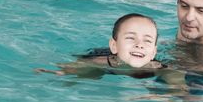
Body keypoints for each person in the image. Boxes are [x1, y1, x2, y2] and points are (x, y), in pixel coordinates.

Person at [35, 13, 164, 77]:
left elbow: (175, 82)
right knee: (90, 75)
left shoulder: (158, 67)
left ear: (153, 52)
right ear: (114, 46)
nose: (139, 45)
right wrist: (61, 72)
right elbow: (79, 65)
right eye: (131, 38)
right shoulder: (101, 61)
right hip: (105, 58)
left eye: (147, 41)